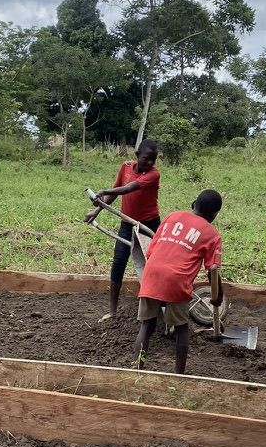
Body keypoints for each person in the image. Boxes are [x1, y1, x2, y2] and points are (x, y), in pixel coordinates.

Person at [133, 189, 224, 375]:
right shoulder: (212, 234)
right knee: (182, 328)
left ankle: (136, 370)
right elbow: (212, 271)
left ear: (193, 204)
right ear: (214, 215)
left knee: (147, 325)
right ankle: (179, 375)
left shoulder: (172, 217)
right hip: (177, 279)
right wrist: (218, 296)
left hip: (151, 273)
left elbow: (150, 251)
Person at [85, 139, 160, 318]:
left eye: (153, 159)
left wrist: (104, 191)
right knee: (119, 261)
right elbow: (116, 192)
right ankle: (113, 311)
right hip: (127, 223)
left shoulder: (154, 174)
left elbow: (127, 189)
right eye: (146, 158)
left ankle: (156, 309)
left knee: (153, 264)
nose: (150, 163)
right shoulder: (125, 167)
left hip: (148, 224)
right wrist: (96, 211)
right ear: (137, 156)